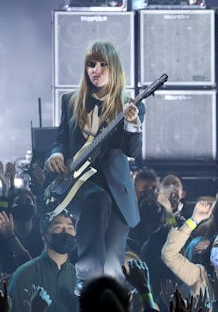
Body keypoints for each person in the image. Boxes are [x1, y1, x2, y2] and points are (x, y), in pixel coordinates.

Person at [45, 41, 144, 294]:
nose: (96, 70)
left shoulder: (129, 104)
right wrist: (55, 154)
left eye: (103, 65)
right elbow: (59, 140)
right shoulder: (70, 101)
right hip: (78, 187)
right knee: (96, 200)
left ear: (115, 69)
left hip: (118, 194)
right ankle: (86, 278)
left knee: (112, 268)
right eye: (91, 64)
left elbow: (131, 151)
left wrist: (132, 125)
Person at [8, 211, 78, 312]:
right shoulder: (25, 274)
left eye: (70, 228)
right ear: (44, 235)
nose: (65, 232)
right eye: (58, 227)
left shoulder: (77, 276)